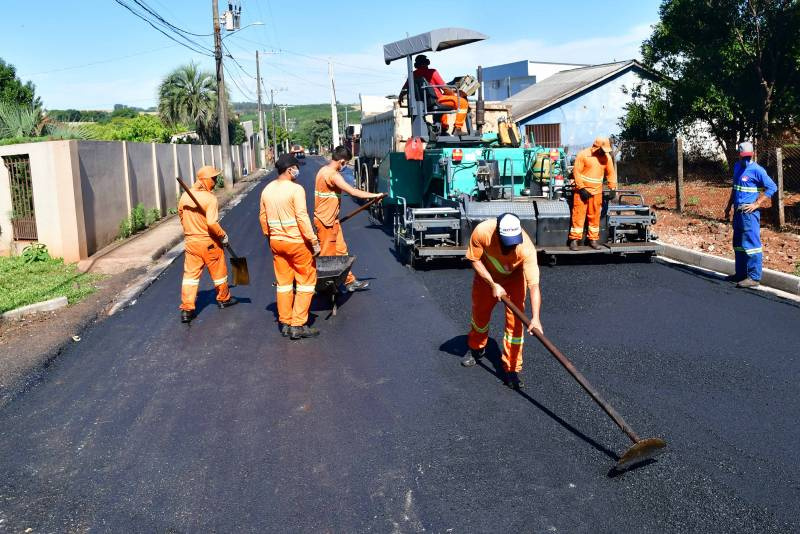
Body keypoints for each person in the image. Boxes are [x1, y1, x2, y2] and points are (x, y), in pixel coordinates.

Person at [460, 213, 543, 390]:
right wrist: (492, 284)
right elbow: (474, 259)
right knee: (480, 316)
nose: (512, 246)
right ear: (497, 234)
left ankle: (512, 368)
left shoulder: (525, 248)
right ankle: (476, 348)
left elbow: (534, 285)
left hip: (514, 280)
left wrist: (536, 318)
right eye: (508, 242)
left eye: (514, 241)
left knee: (515, 325)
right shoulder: (482, 232)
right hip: (486, 278)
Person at [260, 154, 321, 340]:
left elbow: (263, 218)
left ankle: (285, 322)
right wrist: (313, 241)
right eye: (296, 167)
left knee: (284, 284)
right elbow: (302, 216)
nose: (297, 170)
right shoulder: (296, 189)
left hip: (277, 243)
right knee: (306, 282)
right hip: (296, 243)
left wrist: (270, 237)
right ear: (289, 169)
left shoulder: (267, 189)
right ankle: (298, 324)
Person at [314, 145, 382, 292]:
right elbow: (352, 191)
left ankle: (349, 281)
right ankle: (322, 287)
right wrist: (374, 196)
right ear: (342, 162)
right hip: (325, 222)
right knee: (327, 256)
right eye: (345, 164)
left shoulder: (322, 171)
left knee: (341, 251)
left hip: (332, 220)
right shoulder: (332, 175)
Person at [177, 165, 237, 323]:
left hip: (191, 242)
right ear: (204, 180)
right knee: (219, 273)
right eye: (213, 178)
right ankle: (224, 299)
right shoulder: (210, 198)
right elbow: (211, 222)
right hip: (208, 242)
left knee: (190, 276)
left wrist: (191, 229)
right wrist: (222, 235)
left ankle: (186, 309)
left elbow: (181, 216)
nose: (216, 181)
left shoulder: (184, 197)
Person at [723, 141, 777, 288]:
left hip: (749, 214)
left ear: (752, 155)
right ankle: (740, 274)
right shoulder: (737, 167)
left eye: (748, 157)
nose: (746, 159)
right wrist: (729, 207)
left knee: (752, 245)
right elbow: (735, 188)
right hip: (738, 212)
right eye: (743, 157)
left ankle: (754, 277)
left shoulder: (757, 170)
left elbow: (772, 187)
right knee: (739, 244)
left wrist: (757, 204)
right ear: (739, 156)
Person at [399, 54, 469, 134]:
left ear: (416, 65)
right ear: (427, 63)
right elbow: (445, 88)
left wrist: (400, 98)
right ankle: (457, 128)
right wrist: (454, 95)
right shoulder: (432, 72)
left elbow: (404, 90)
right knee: (463, 102)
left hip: (424, 104)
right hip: (437, 100)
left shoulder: (412, 75)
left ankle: (443, 128)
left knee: (443, 106)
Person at [568, 137, 617, 250]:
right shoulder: (583, 155)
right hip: (581, 192)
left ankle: (593, 240)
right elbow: (576, 172)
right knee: (578, 215)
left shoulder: (607, 157)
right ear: (596, 147)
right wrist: (581, 188)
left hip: (596, 192)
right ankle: (574, 240)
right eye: (602, 149)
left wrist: (612, 188)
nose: (604, 152)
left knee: (594, 216)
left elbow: (611, 173)